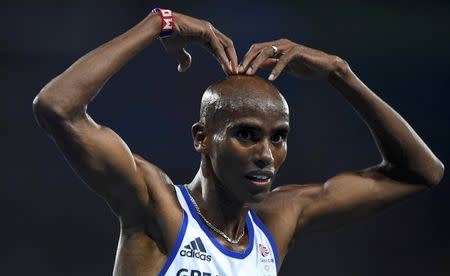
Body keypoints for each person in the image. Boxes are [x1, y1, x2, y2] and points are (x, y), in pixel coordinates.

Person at [32, 8, 444, 276]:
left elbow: (422, 172)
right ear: (202, 137)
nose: (266, 154)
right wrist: (158, 23)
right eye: (246, 134)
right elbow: (56, 106)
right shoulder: (156, 205)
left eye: (278, 137)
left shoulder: (277, 221)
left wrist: (340, 73)